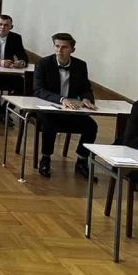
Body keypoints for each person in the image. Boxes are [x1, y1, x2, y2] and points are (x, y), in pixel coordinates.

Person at [33, 33, 97, 179]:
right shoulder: (43, 64)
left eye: (64, 47)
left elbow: (86, 88)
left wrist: (87, 99)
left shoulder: (80, 65)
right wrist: (61, 99)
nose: (59, 50)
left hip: (70, 110)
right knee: (49, 124)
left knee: (91, 126)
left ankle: (82, 160)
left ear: (72, 50)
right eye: (57, 46)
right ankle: (46, 158)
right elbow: (38, 90)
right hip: (48, 109)